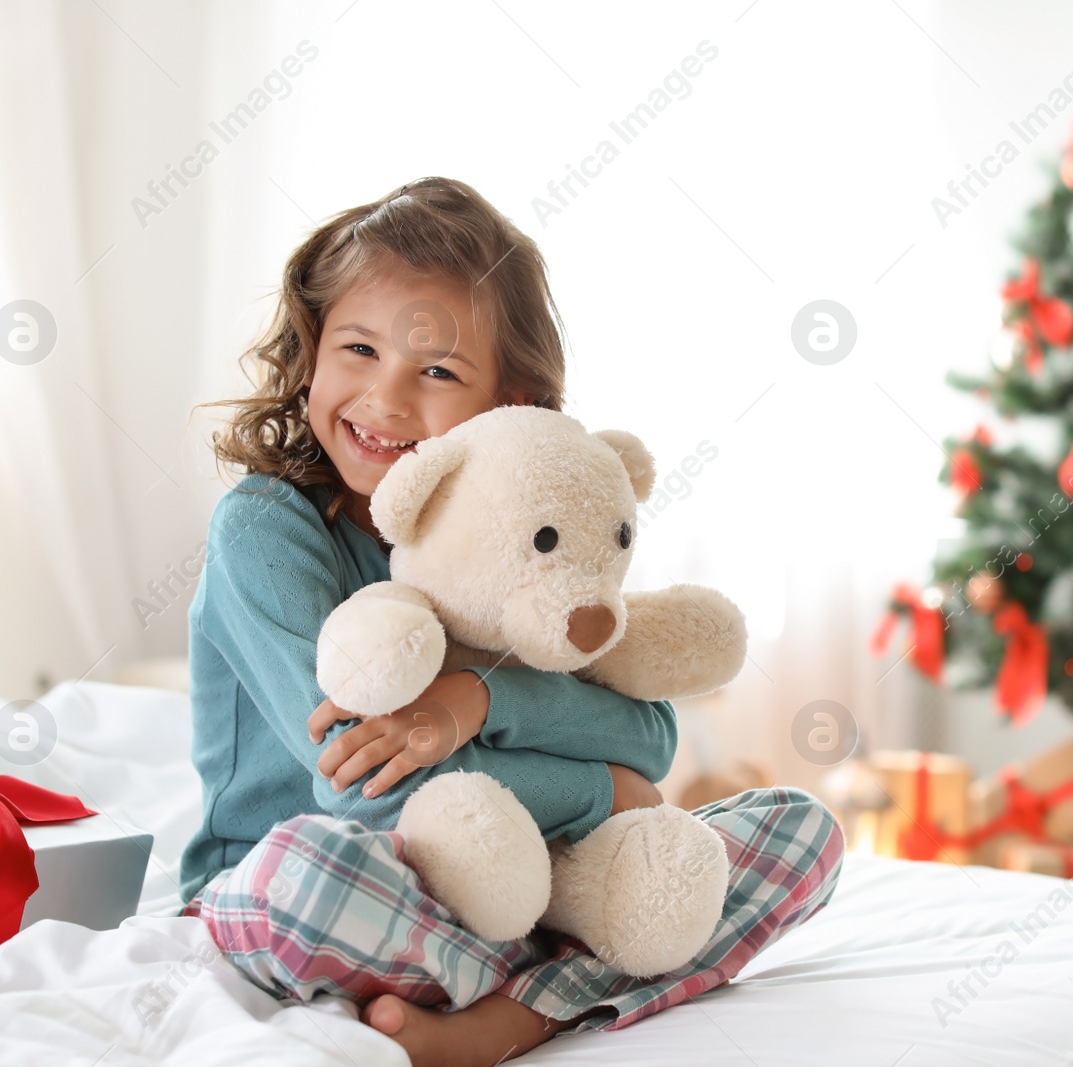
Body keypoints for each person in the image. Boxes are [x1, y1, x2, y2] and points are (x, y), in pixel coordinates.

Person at [179, 176, 844, 1067]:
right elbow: (361, 785)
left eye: (438, 371)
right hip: (341, 882)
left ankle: (509, 1008)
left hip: (527, 884)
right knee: (311, 873)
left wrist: (475, 703)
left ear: (515, 400)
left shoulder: (518, 528)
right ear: (311, 352)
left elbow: (647, 734)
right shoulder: (268, 529)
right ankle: (550, 986)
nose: (384, 399)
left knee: (802, 831)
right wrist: (606, 793)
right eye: (358, 349)